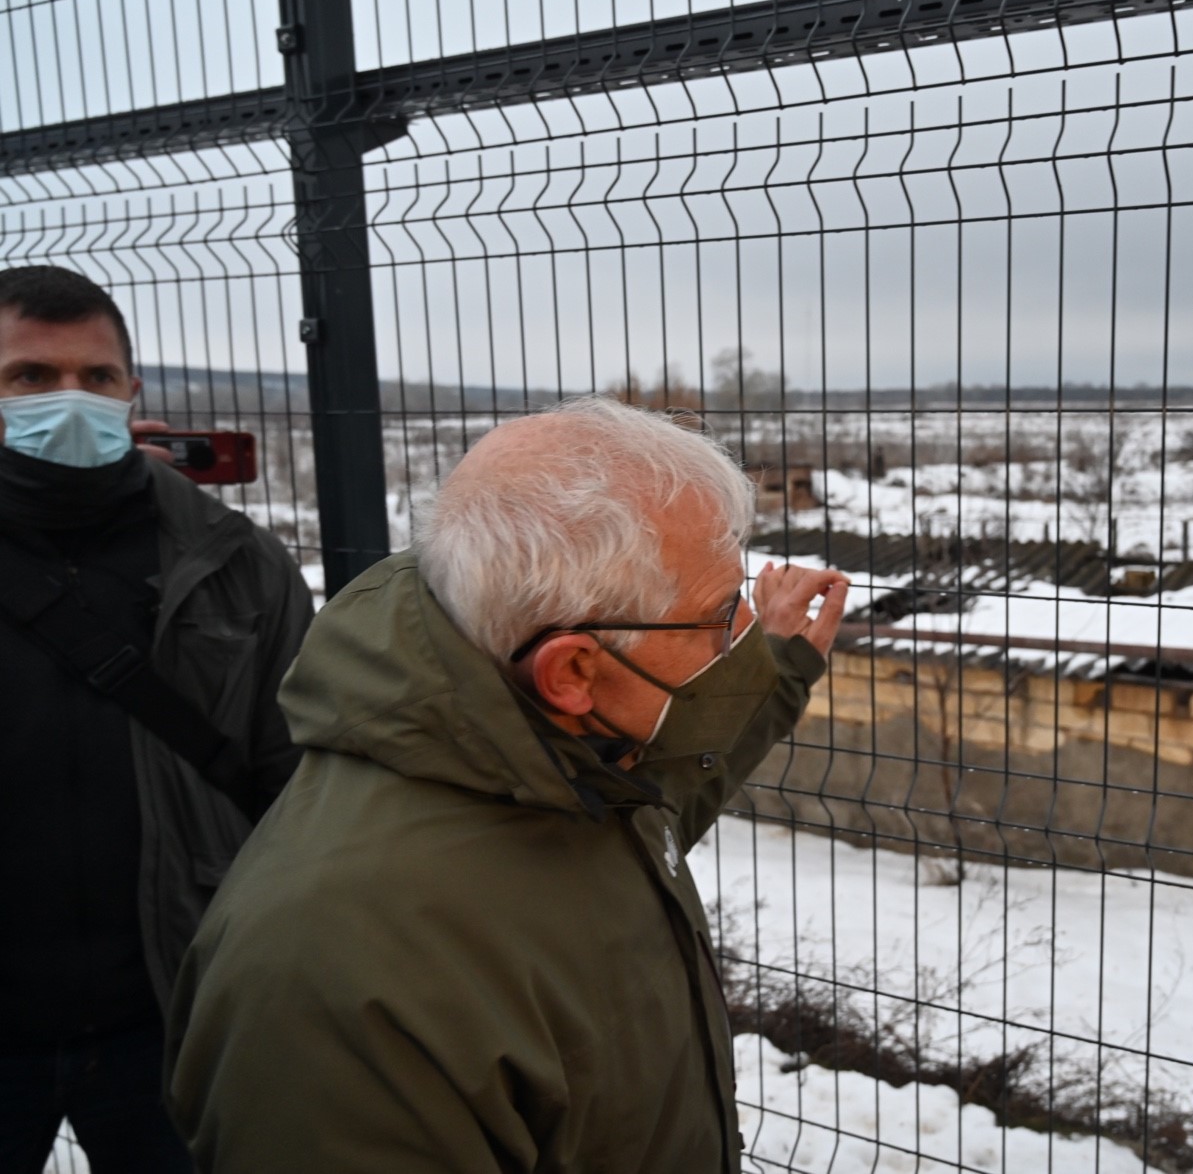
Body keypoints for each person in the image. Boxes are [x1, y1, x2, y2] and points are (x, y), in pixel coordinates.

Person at [166, 396, 849, 1173]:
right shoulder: (335, 988)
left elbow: (665, 800)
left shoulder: (549, 760)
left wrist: (781, 667)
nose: (745, 636)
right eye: (724, 616)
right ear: (574, 672)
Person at [0, 265, 314, 1173]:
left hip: (176, 1010)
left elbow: (301, 782)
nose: (69, 398)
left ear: (131, 390)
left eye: (95, 378)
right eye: (29, 377)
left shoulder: (236, 564)